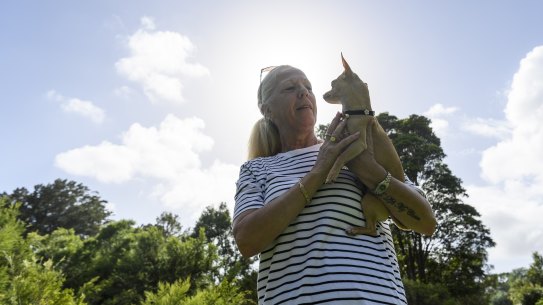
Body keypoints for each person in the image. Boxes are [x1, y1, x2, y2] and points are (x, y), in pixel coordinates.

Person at [233, 65, 436, 305]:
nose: (304, 93)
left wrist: (368, 169)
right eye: (289, 88)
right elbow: (246, 240)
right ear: (267, 110)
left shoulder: (355, 143)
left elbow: (425, 223)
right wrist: (320, 170)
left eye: (308, 87)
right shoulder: (256, 169)